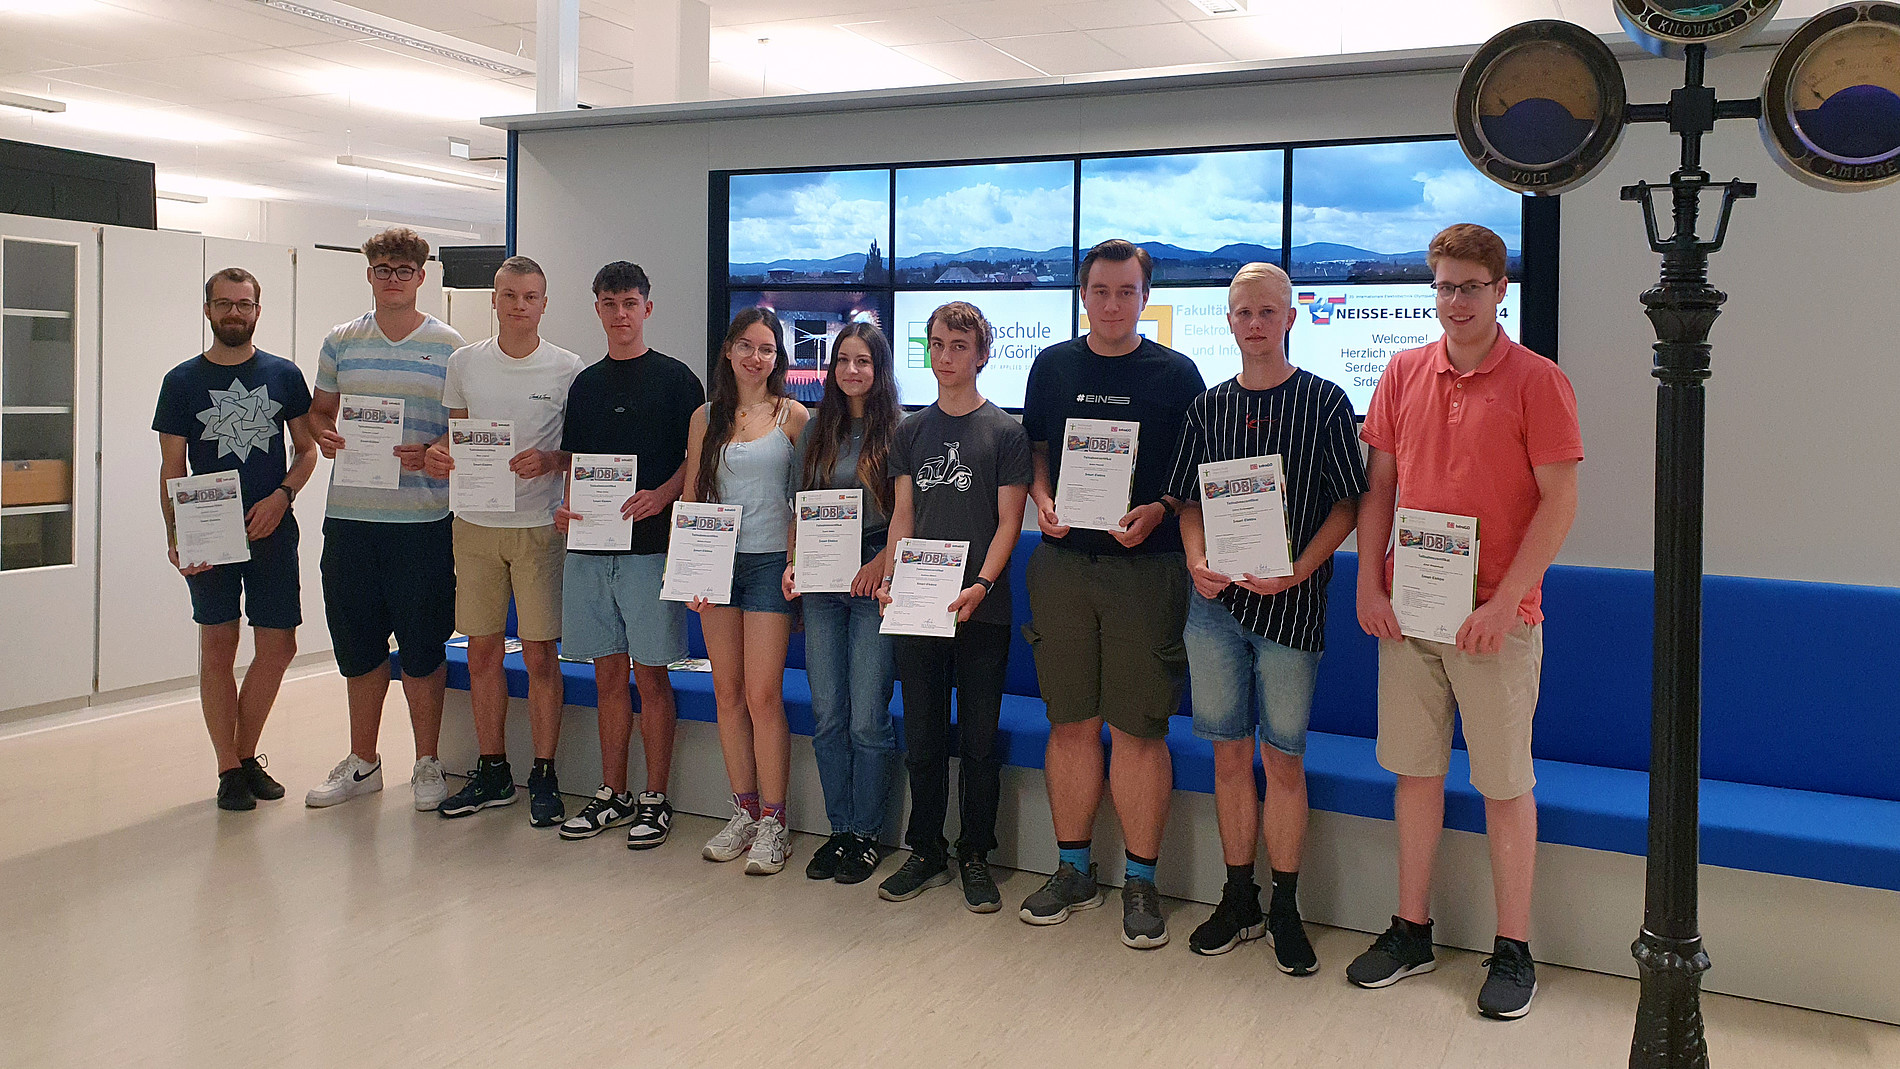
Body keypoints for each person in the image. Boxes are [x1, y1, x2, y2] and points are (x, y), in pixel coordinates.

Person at [1347, 224, 1583, 1020]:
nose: (1455, 301)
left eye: (1470, 287)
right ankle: (1411, 929)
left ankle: (1513, 948)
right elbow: (1380, 487)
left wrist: (1506, 600)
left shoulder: (1538, 381)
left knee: (1505, 784)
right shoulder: (1403, 371)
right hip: (1409, 613)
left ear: (1500, 290)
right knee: (1414, 773)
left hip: (1495, 621)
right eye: (1444, 286)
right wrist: (1368, 583)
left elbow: (1559, 503)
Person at [1166, 263, 1368, 970]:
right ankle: (1239, 897)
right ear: (1228, 322)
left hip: (1292, 608)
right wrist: (1196, 559)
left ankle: (1286, 905)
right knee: (1228, 755)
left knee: (1283, 759)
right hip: (1214, 609)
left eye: (1268, 311)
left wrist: (1299, 569)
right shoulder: (1207, 408)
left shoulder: (1326, 401)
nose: (1255, 323)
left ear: (1290, 317)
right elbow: (1188, 503)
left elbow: (1349, 504)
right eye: (1243, 312)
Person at [1016, 239, 1206, 949]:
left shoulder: (1177, 374)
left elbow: (1192, 472)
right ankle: (1072, 870)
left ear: (1145, 297)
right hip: (1064, 566)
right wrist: (1041, 499)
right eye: (1101, 290)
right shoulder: (1053, 365)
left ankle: (1141, 880)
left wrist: (1160, 508)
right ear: (1083, 294)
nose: (1113, 303)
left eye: (1127, 291)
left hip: (1147, 570)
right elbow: (1037, 451)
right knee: (1069, 722)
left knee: (1138, 729)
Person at [876, 301, 1031, 912]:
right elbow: (904, 517)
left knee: (979, 741)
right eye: (937, 345)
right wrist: (892, 578)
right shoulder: (910, 431)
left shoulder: (1005, 432)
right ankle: (926, 850)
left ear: (982, 354)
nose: (945, 357)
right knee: (922, 735)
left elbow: (1009, 522)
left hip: (981, 608)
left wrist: (983, 585)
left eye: (959, 346)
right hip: (918, 607)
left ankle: (975, 854)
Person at [303, 227, 466, 811]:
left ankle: (427, 762)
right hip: (351, 520)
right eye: (382, 269)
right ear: (369, 274)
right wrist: (324, 436)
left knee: (423, 646)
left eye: (403, 270)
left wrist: (437, 449)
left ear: (421, 277)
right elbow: (319, 413)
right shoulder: (341, 341)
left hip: (421, 522)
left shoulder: (449, 346)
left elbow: (462, 424)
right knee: (359, 646)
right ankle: (363, 762)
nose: (393, 279)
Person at [423, 256, 583, 826]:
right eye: (510, 295)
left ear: (544, 304)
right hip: (474, 524)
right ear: (494, 299)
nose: (519, 305)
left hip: (538, 528)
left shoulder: (568, 368)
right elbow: (456, 435)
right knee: (483, 651)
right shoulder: (464, 362)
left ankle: (544, 772)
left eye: (530, 297)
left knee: (540, 654)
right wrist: (439, 454)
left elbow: (579, 452)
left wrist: (552, 460)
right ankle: (492, 770)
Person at [153, 267, 318, 810]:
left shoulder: (284, 375)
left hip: (272, 526)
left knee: (279, 645)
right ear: (208, 310)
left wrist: (282, 497)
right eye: (223, 303)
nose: (234, 313)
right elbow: (172, 468)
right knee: (218, 646)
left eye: (243, 304)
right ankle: (228, 769)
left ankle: (245, 756)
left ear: (257, 311)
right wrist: (176, 536)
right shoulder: (181, 381)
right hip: (208, 531)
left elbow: (308, 452)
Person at [554, 262, 704, 849]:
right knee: (607, 676)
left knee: (653, 677)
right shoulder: (585, 385)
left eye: (630, 303)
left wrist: (662, 495)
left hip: (650, 552)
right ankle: (612, 792)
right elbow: (577, 462)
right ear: (597, 309)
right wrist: (568, 509)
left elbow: (697, 460)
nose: (621, 314)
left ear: (647, 308)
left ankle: (655, 798)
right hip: (591, 550)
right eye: (610, 303)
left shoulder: (677, 380)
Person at [684, 307, 809, 876]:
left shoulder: (793, 415)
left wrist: (796, 560)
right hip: (715, 562)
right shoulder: (705, 417)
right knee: (727, 692)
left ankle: (775, 822)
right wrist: (688, 570)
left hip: (767, 566)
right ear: (729, 351)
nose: (756, 357)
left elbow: (803, 500)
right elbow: (693, 495)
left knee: (763, 696)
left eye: (767, 349)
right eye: (746, 346)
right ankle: (744, 811)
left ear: (777, 357)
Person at [781, 323, 901, 885]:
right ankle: (840, 829)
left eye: (863, 362)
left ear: (879, 370)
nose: (852, 371)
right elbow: (798, 507)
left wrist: (882, 566)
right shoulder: (815, 429)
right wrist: (793, 565)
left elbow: (908, 515)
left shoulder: (898, 431)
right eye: (843, 361)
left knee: (868, 719)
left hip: (874, 582)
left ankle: (867, 834)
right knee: (828, 714)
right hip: (823, 585)